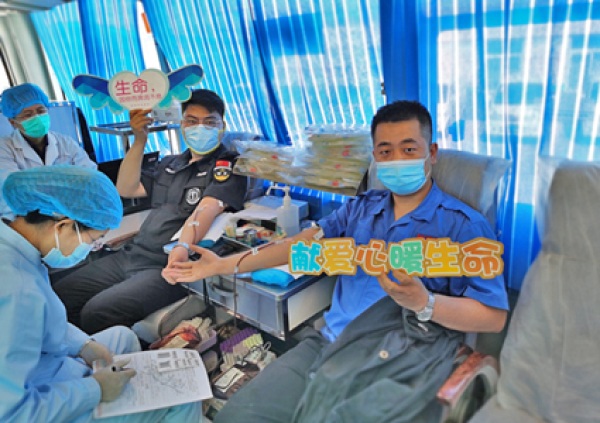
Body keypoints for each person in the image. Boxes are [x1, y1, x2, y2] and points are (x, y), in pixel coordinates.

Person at [163, 101, 510, 422]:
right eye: (386, 152)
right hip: (328, 344)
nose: (397, 160)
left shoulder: (463, 225)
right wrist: (223, 265)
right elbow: (297, 246)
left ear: (430, 153)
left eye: (409, 149)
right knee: (237, 416)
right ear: (375, 157)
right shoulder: (361, 207)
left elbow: (493, 318)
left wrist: (424, 302)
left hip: (399, 358)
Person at [0, 165, 200, 423]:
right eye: (94, 239)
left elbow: (38, 321)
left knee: (122, 336)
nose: (94, 246)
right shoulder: (16, 288)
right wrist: (96, 389)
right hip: (36, 404)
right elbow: (13, 413)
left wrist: (84, 345)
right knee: (183, 398)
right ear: (63, 226)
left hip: (42, 366)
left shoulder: (18, 251)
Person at [53, 89, 248, 334]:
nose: (200, 128)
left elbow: (206, 208)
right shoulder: (170, 163)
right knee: (61, 295)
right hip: (132, 255)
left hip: (168, 266)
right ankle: (75, 351)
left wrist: (182, 246)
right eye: (192, 121)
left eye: (209, 122)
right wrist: (139, 140)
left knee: (97, 312)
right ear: (182, 125)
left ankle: (108, 353)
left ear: (222, 126)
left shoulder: (228, 165)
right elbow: (126, 188)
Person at [0, 83, 96, 220]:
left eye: (41, 111)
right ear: (13, 122)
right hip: (24, 219)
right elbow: (14, 191)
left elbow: (90, 178)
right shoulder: (4, 149)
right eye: (28, 115)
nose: (37, 117)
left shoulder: (66, 142)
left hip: (69, 214)